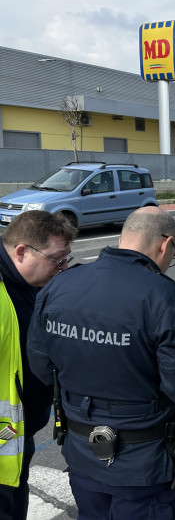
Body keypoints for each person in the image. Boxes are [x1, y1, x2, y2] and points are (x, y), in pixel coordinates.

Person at [26, 207, 175, 520]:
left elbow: (41, 367)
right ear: (165, 245)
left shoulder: (61, 284)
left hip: (81, 451)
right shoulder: (163, 296)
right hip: (142, 461)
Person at [0, 210, 77, 520]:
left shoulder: (29, 284)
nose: (63, 269)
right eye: (57, 260)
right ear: (22, 251)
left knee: (15, 496)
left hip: (17, 430)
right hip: (3, 436)